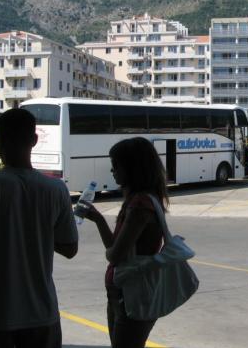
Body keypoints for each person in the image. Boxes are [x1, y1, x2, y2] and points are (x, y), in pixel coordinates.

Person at [0, 108, 78, 348]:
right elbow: (70, 249)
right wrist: (39, 231)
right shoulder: (56, 190)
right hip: (41, 314)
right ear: (34, 141)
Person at [80, 137, 168, 348]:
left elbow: (115, 254)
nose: (113, 171)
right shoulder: (142, 201)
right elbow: (117, 245)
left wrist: (110, 253)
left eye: (116, 166)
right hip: (122, 293)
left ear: (132, 168)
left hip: (131, 294)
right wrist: (98, 219)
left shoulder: (139, 205)